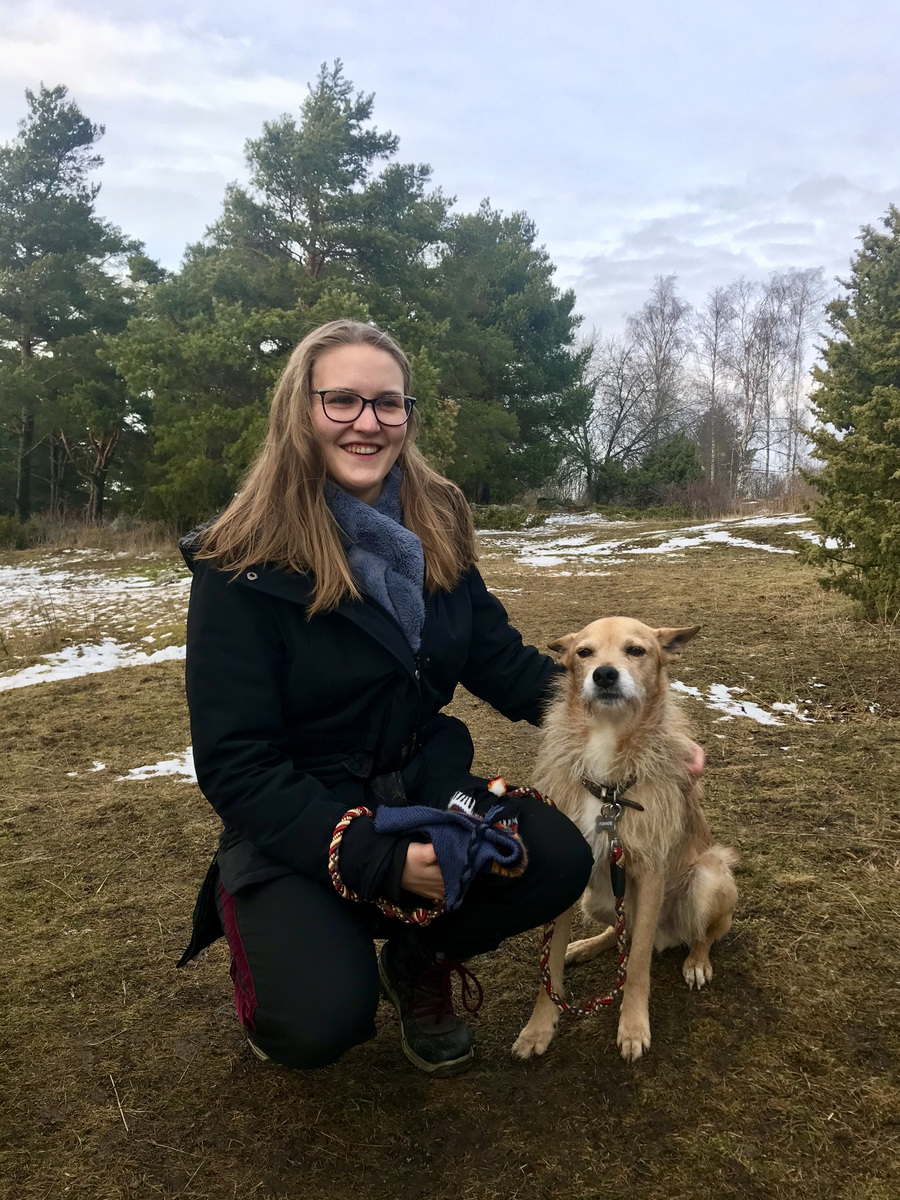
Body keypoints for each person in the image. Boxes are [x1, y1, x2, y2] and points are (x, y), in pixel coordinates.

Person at [176, 319, 694, 1078]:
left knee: (552, 857)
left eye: (388, 404)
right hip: (301, 809)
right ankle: (283, 928)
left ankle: (419, 957)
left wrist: (643, 729)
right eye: (342, 400)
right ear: (300, 410)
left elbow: (500, 659)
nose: (367, 422)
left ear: (407, 418)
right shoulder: (240, 562)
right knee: (316, 1022)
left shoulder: (437, 523)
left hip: (420, 781)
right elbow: (236, 764)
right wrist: (374, 857)